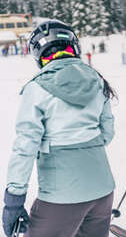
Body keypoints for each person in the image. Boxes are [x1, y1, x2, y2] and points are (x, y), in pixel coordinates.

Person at [2, 20, 117, 237]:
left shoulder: (37, 89)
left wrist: (13, 201)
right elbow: (107, 133)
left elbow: (25, 147)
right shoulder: (97, 80)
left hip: (61, 197)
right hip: (102, 192)